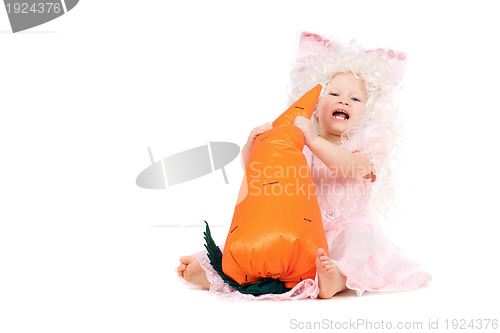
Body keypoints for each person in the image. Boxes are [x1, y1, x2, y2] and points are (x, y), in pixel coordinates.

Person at [177, 40, 431, 299]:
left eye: (355, 99)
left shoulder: (363, 147)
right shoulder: (301, 143)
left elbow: (348, 167)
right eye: (334, 94)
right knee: (257, 244)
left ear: (367, 113)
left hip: (345, 233)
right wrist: (252, 147)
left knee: (357, 241)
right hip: (299, 231)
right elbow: (262, 175)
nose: (344, 100)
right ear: (316, 108)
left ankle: (337, 280)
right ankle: (215, 275)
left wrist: (315, 141)